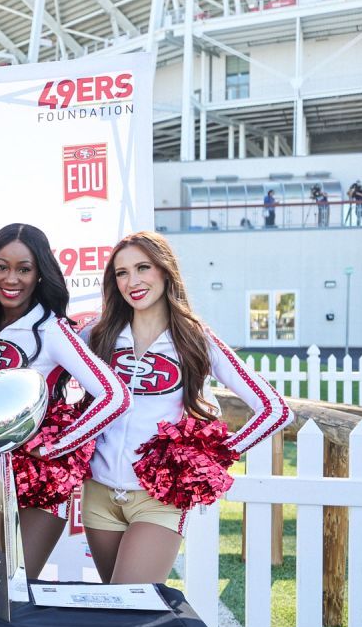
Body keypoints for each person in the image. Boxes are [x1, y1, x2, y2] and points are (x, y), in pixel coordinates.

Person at [84, 231, 292, 584]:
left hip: (157, 499)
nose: (132, 281)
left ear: (165, 271)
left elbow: (275, 409)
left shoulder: (196, 338)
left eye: (143, 268)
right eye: (121, 273)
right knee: (111, 609)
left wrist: (213, 458)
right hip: (98, 494)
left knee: (131, 603)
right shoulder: (98, 334)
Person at [0, 223, 130, 577]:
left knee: (10, 584)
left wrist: (58, 446)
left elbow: (114, 395)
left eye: (24, 269)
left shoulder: (52, 331)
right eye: (1, 267)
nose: (11, 278)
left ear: (40, 275)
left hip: (36, 480)